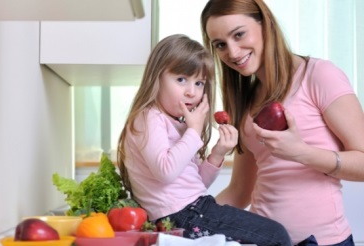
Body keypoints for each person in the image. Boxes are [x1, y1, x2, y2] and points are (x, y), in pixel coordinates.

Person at [200, 0, 364, 245]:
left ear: (265, 24)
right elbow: (239, 191)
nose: (232, 52)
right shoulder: (245, 102)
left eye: (239, 34)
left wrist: (302, 153)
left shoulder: (318, 75)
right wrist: (190, 219)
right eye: (221, 45)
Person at [117, 34, 292, 245]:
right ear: (156, 78)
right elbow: (165, 172)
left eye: (199, 83)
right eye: (181, 80)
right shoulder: (148, 117)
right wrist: (193, 130)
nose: (192, 92)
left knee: (271, 234)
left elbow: (195, 184)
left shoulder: (177, 124)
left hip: (191, 211)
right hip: (184, 215)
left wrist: (218, 153)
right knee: (276, 235)